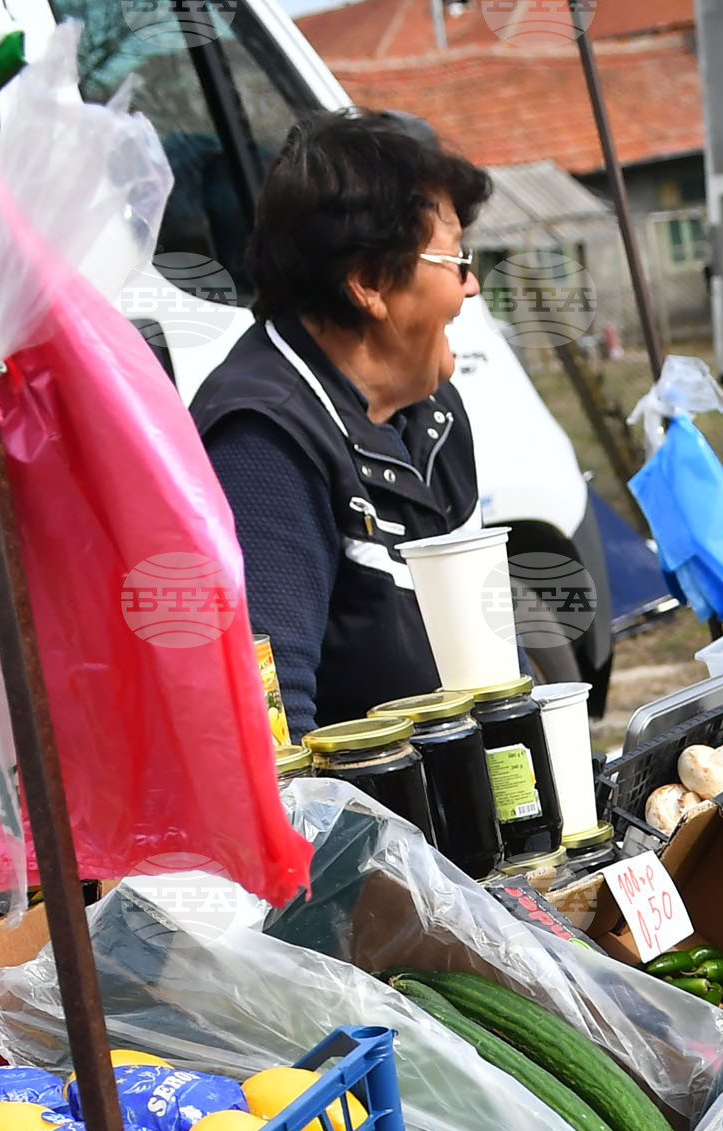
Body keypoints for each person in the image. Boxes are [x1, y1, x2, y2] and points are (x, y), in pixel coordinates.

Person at [194, 113, 495, 737]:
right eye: (455, 258)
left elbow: (490, 666)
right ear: (368, 284)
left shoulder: (433, 416)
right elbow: (274, 739)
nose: (470, 285)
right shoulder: (263, 440)